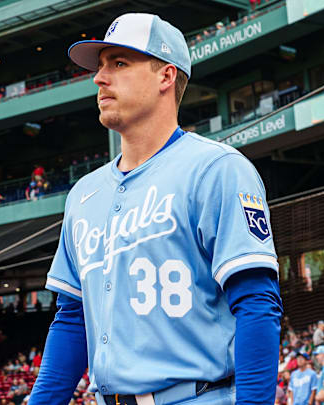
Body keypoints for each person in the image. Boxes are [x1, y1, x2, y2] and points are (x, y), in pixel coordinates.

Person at [28, 12, 283, 405]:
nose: (100, 78)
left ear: (165, 76)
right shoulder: (83, 194)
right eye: (99, 67)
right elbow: (71, 319)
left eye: (119, 63)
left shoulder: (217, 169)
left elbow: (256, 302)